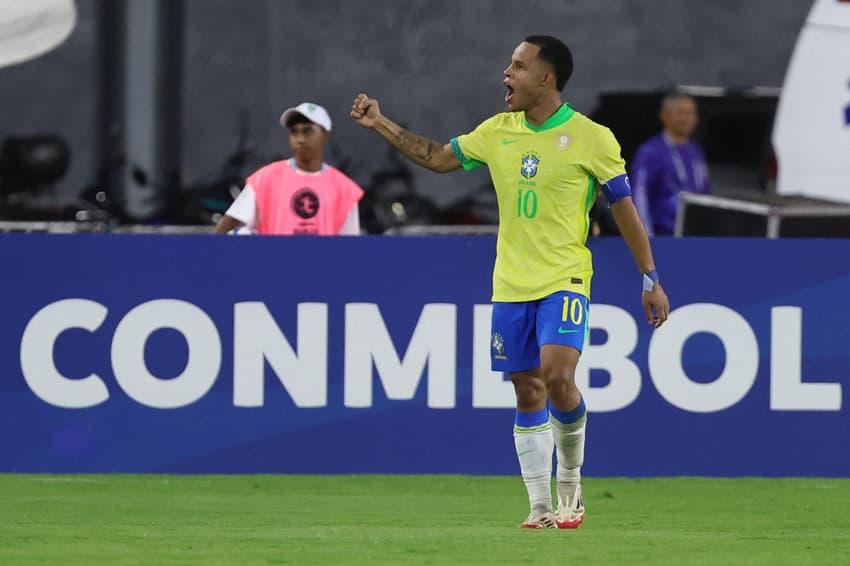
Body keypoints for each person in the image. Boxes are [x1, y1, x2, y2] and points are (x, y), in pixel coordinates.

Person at [351, 35, 669, 529]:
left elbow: (623, 209)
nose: (507, 73)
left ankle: (570, 481)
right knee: (527, 390)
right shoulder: (497, 131)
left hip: (565, 276)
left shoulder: (592, 137)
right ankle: (539, 507)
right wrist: (380, 123)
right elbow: (437, 157)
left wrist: (650, 276)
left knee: (558, 376)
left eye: (518, 66)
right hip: (510, 285)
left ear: (546, 78)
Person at [215, 102, 364, 236]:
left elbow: (350, 247)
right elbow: (227, 225)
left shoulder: (344, 189)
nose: (300, 139)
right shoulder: (265, 179)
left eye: (308, 131)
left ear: (325, 135)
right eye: (294, 132)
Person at [630, 93, 711, 236]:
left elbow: (705, 192)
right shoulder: (650, 152)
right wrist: (646, 237)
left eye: (691, 113)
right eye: (681, 113)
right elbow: (639, 196)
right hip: (662, 238)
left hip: (694, 237)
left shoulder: (695, 151)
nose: (687, 119)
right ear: (664, 115)